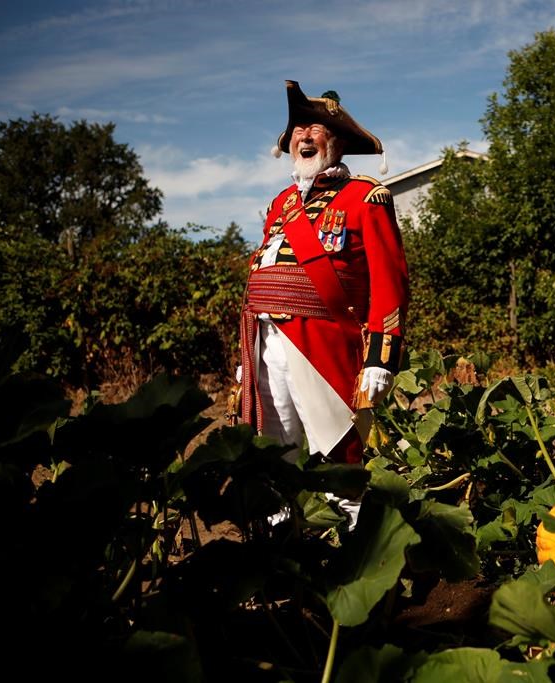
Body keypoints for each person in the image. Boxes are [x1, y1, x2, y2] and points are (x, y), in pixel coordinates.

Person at [237, 80, 408, 528]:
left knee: (337, 452)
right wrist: (245, 353)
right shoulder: (280, 204)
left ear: (338, 141)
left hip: (325, 343)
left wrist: (380, 357)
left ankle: (349, 548)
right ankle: (284, 552)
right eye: (297, 129)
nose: (305, 136)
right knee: (274, 452)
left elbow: (390, 282)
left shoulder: (366, 197)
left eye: (316, 128)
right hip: (265, 342)